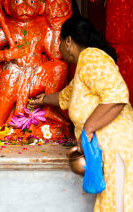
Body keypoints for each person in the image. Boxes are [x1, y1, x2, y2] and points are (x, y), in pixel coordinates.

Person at [30, 16, 133, 212]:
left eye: (59, 41)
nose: (58, 47)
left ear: (68, 41)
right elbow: (66, 97)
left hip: (120, 149)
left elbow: (117, 96)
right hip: (108, 152)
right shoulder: (83, 66)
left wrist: (88, 128)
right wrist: (40, 100)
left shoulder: (93, 58)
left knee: (119, 205)